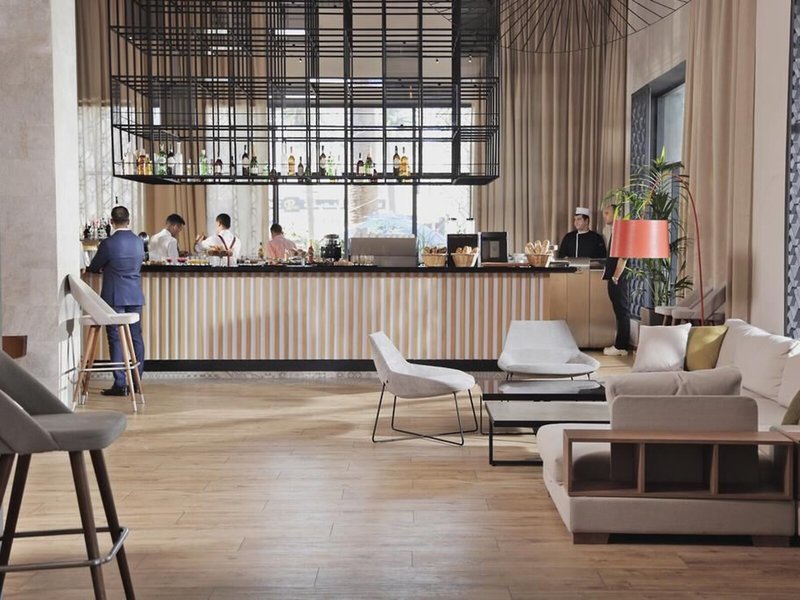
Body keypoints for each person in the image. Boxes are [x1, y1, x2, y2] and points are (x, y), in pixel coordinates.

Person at [87, 205, 146, 395]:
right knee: (136, 337)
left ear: (112, 222)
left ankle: (120, 384)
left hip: (114, 296)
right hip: (135, 295)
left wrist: (104, 268)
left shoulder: (108, 244)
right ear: (129, 221)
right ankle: (136, 381)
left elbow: (94, 266)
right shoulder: (139, 242)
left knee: (116, 338)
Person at [602, 203, 629, 356]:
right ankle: (620, 345)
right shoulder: (616, 230)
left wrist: (616, 276)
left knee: (622, 310)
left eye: (607, 213)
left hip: (619, 277)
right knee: (618, 311)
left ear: (616, 213)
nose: (604, 216)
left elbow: (623, 257)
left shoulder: (622, 231)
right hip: (614, 277)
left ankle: (621, 346)